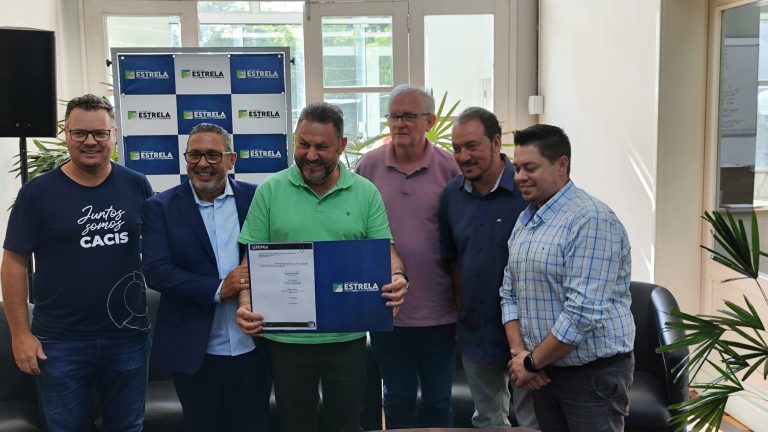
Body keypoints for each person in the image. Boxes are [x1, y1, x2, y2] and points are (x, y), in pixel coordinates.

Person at [235, 102, 408, 432]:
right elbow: (250, 263)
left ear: (341, 146)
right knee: (295, 425)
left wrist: (398, 277)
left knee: (347, 424)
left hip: (347, 338)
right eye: (303, 144)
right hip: (288, 342)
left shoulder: (365, 193)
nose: (311, 155)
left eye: (321, 147)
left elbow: (385, 251)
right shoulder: (270, 191)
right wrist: (245, 303)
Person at [1, 94, 153, 431]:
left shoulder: (137, 185)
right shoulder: (37, 193)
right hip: (59, 341)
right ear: (66, 135)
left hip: (128, 338)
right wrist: (20, 334)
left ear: (113, 135)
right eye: (79, 133)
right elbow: (13, 263)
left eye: (99, 133)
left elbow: (159, 248)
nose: (90, 142)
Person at [500, 124, 635, 432]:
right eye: (517, 168)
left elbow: (581, 313)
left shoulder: (591, 219)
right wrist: (521, 355)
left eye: (530, 168)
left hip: (590, 377)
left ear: (561, 164)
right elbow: (509, 293)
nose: (520, 176)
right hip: (543, 373)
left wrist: (531, 362)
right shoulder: (526, 220)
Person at [141, 123, 270, 432]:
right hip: (194, 353)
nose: (202, 163)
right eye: (194, 155)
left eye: (213, 155)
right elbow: (156, 271)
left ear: (231, 160)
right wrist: (218, 288)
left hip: (254, 348)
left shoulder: (257, 198)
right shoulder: (159, 207)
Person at [355, 84, 460, 428]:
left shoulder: (450, 168)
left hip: (440, 312)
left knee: (438, 402)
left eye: (409, 116)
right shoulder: (368, 166)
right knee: (396, 400)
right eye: (394, 116)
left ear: (430, 121)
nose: (400, 123)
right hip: (386, 310)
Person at [438, 107, 537, 429]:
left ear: (496, 143)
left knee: (534, 421)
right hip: (476, 330)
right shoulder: (451, 196)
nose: (463, 156)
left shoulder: (528, 190)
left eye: (472, 146)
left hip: (530, 333)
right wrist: (460, 314)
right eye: (456, 148)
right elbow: (454, 261)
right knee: (488, 420)